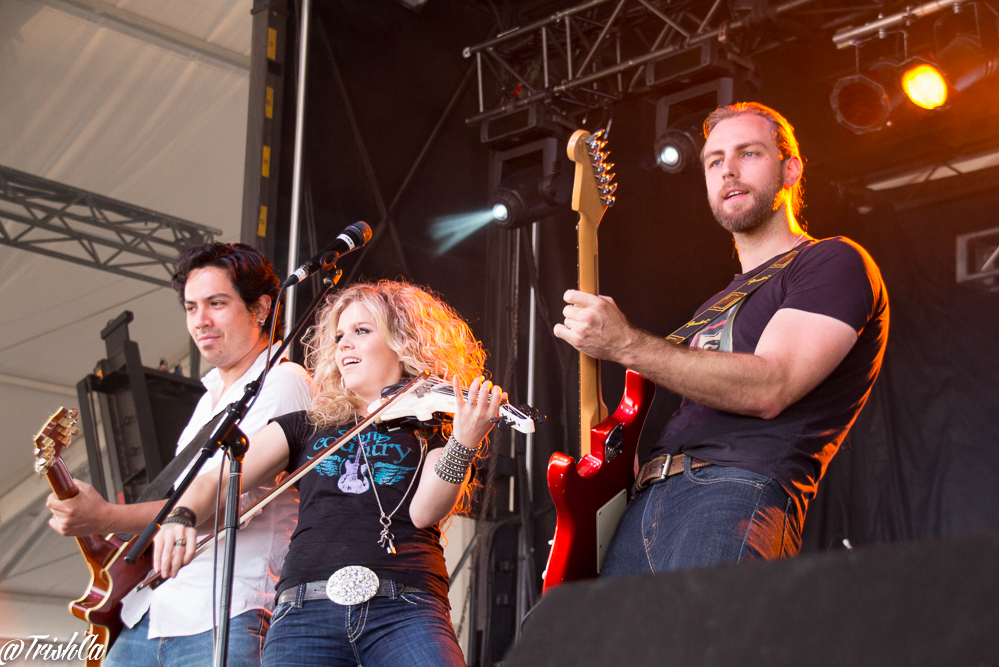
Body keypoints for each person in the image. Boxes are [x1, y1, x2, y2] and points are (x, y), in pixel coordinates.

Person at [554, 102, 889, 574]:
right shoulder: (712, 305)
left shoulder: (833, 262)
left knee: (700, 647)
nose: (727, 170)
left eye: (748, 153)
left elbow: (771, 386)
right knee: (578, 647)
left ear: (790, 169)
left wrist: (624, 343)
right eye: (714, 161)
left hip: (737, 487)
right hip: (647, 501)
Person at [153, 280, 502, 667]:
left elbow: (424, 512)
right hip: (305, 612)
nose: (345, 345)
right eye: (339, 336)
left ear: (404, 341)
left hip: (405, 605)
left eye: (361, 331)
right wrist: (180, 514)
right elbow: (217, 479)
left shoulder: (433, 426)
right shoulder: (307, 425)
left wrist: (465, 441)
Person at [48, 243, 313, 666]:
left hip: (225, 613)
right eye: (191, 307)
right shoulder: (209, 395)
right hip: (152, 611)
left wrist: (104, 517)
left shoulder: (284, 381)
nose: (200, 320)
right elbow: (178, 499)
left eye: (216, 303)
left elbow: (222, 500)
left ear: (262, 308)